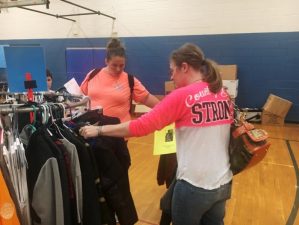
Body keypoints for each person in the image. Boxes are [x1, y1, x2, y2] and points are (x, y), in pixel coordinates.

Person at [79, 43, 233, 225]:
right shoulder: (222, 92)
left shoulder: (181, 96)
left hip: (194, 185)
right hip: (223, 182)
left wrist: (99, 130)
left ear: (184, 67)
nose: (171, 76)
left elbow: (140, 126)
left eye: (172, 70)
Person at [80, 38, 159, 123]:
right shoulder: (93, 74)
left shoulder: (130, 80)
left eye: (121, 65)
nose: (118, 69)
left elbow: (147, 99)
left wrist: (168, 110)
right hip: (93, 129)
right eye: (114, 65)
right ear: (106, 61)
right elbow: (80, 96)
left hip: (119, 131)